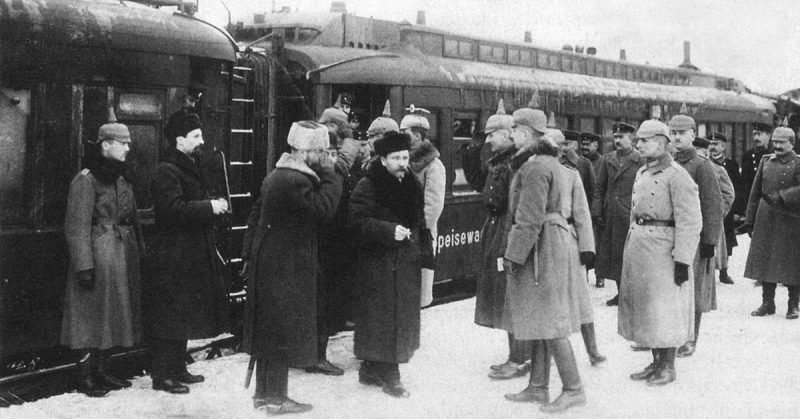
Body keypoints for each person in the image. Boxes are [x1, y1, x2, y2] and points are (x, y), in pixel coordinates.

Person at [241, 121, 341, 414]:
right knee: (280, 331)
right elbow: (324, 210)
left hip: (272, 261)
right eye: (320, 151)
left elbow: (255, 215)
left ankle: (265, 394)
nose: (323, 157)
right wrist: (331, 175)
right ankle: (275, 398)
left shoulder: (278, 174)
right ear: (303, 150)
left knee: (270, 331)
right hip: (284, 266)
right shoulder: (295, 179)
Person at [502, 113, 587, 413]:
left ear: (526, 133)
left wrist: (513, 255)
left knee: (550, 321)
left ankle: (573, 388)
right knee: (542, 318)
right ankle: (538, 386)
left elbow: (529, 219)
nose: (511, 134)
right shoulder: (545, 162)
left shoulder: (536, 166)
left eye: (514, 129)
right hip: (549, 243)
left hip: (542, 247)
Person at [62, 109, 143, 398]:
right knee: (89, 317)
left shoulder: (121, 177)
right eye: (122, 143)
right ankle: (85, 377)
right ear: (105, 145)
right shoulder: (86, 180)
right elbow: (76, 227)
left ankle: (103, 371)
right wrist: (84, 266)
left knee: (112, 315)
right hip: (96, 258)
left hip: (119, 256)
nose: (128, 147)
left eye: (128, 143)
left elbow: (130, 218)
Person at [148, 111, 229, 394]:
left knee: (181, 312)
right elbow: (172, 210)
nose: (202, 140)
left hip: (187, 253)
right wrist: (209, 207)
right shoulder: (167, 170)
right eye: (196, 136)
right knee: (170, 314)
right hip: (173, 255)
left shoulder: (186, 164)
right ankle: (162, 375)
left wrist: (210, 204)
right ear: (180, 139)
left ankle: (177, 368)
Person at [349, 131, 434, 398]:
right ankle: (389, 374)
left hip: (405, 262)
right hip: (379, 264)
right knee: (383, 318)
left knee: (398, 316)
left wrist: (425, 253)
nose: (401, 162)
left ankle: (373, 368)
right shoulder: (369, 184)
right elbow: (356, 222)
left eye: (405, 157)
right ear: (383, 159)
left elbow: (420, 222)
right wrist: (388, 231)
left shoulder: (411, 183)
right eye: (396, 157)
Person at [618, 119, 702, 387]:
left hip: (665, 252)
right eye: (638, 140)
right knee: (647, 308)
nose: (638, 144)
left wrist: (682, 259)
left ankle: (668, 365)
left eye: (644, 140)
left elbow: (690, 221)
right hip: (642, 249)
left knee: (665, 309)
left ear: (662, 142)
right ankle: (656, 361)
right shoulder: (643, 172)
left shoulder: (677, 175)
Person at [461, 100, 529, 379]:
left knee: (511, 295)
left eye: (492, 135)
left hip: (507, 230)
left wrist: (507, 242)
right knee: (502, 295)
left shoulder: (514, 164)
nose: (488, 140)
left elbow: (515, 205)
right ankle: (516, 355)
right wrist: (472, 151)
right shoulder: (500, 161)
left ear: (508, 133)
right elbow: (482, 185)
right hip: (496, 228)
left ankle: (520, 358)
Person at [669, 111, 723, 358]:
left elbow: (713, 204)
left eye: (682, 133)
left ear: (693, 134)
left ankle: (691, 338)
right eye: (673, 133)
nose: (677, 137)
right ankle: (670, 337)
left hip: (696, 239)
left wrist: (710, 240)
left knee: (694, 291)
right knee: (670, 288)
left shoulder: (702, 165)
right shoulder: (668, 162)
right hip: (671, 237)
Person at [739, 126, 800, 319]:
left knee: (791, 263)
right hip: (766, 217)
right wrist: (750, 220)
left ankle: (793, 304)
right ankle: (767, 302)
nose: (777, 146)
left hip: (790, 218)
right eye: (775, 142)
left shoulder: (798, 163)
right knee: (765, 260)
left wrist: (783, 197)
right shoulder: (766, 161)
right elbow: (755, 193)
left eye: (782, 142)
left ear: (792, 143)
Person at [591, 122, 643, 304]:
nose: (617, 140)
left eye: (621, 137)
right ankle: (621, 292)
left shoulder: (640, 160)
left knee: (629, 255)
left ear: (631, 139)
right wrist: (597, 211)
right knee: (614, 256)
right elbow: (599, 187)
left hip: (630, 214)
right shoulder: (608, 159)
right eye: (615, 137)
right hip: (611, 215)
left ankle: (630, 294)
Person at [401, 105, 446, 308]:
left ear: (417, 136)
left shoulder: (434, 166)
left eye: (405, 133)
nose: (402, 136)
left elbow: (433, 204)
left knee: (418, 289)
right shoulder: (403, 159)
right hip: (404, 230)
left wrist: (420, 229)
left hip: (421, 234)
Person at [706, 132, 739, 284]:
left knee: (727, 240)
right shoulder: (705, 164)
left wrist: (734, 210)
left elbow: (734, 188)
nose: (712, 147)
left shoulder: (730, 165)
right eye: (710, 144)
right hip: (712, 208)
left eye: (716, 144)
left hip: (725, 208)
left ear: (723, 146)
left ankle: (724, 271)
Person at [740, 122, 773, 212]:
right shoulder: (748, 155)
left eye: (759, 134)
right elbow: (744, 183)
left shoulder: (773, 155)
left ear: (768, 136)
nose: (756, 138)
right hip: (752, 202)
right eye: (754, 134)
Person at [562, 130, 595, 208]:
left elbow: (592, 190)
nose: (563, 148)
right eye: (561, 144)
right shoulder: (556, 162)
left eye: (566, 144)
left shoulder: (584, 164)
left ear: (575, 146)